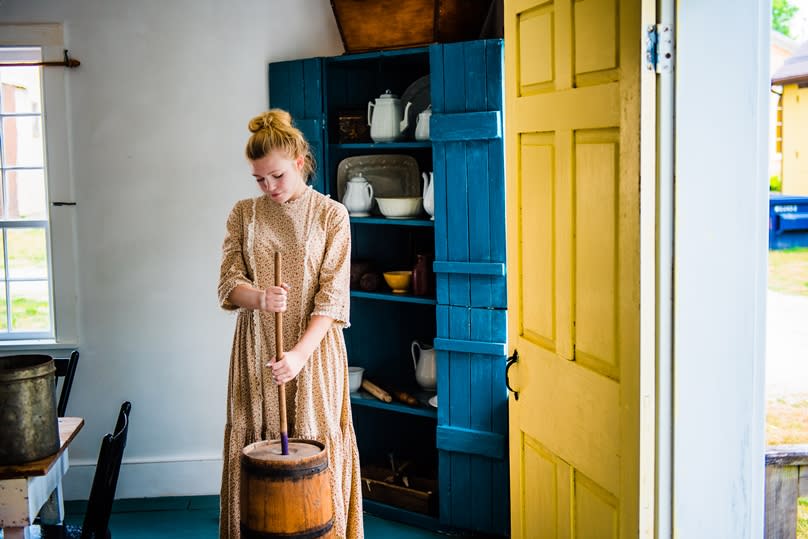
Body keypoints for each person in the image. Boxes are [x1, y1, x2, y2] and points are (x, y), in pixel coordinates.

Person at [217, 109, 363, 538]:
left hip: (313, 351)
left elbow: (333, 298)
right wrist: (260, 297)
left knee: (314, 445)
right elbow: (228, 285)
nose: (269, 187)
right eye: (259, 179)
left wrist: (298, 355)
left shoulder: (332, 215)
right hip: (257, 347)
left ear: (299, 162)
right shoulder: (244, 214)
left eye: (276, 176)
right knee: (256, 446)